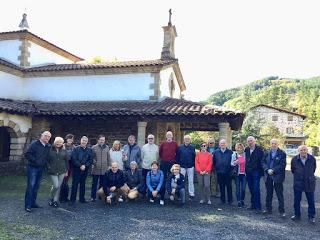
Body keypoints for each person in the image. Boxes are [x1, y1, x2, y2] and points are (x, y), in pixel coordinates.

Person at [24, 131, 52, 212]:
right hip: (32, 168)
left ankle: (33, 203)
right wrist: (35, 161)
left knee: (36, 186)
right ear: (41, 136)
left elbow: (47, 158)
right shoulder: (34, 144)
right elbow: (27, 154)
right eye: (46, 136)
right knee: (31, 186)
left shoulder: (48, 146)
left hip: (41, 169)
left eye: (49, 137)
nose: (47, 138)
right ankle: (28, 205)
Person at [291, 145, 317, 224]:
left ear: (307, 151)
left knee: (311, 200)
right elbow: (293, 170)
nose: (303, 151)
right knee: (296, 200)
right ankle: (297, 215)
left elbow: (313, 169)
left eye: (304, 150)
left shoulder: (312, 158)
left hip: (309, 182)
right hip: (298, 182)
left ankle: (311, 216)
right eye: (301, 150)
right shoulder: (294, 159)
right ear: (298, 151)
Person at [262, 139, 286, 217]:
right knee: (269, 194)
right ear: (270, 144)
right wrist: (267, 169)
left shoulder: (282, 153)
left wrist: (273, 170)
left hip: (278, 176)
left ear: (278, 144)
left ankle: (281, 211)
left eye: (275, 143)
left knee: (279, 194)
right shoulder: (266, 153)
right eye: (272, 143)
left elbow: (282, 165)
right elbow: (263, 162)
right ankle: (268, 209)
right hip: (268, 176)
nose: (273, 145)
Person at [69, 136, 93, 205]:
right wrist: (80, 165)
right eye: (83, 140)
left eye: (85, 141)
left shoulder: (89, 150)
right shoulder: (76, 149)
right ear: (80, 141)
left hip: (85, 170)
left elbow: (90, 160)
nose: (84, 142)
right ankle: (72, 200)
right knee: (74, 185)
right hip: (76, 169)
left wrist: (85, 166)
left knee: (83, 185)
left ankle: (82, 199)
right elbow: (73, 159)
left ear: (87, 142)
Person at [47, 137, 69, 208]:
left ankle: (55, 200)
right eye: (57, 142)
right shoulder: (49, 149)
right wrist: (49, 167)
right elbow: (47, 160)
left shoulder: (64, 150)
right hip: (53, 171)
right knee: (55, 186)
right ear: (54, 142)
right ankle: (51, 198)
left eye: (60, 142)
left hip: (62, 170)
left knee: (59, 186)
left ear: (62, 143)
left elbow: (66, 161)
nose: (58, 143)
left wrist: (66, 170)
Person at [245, 136, 264, 213]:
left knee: (256, 189)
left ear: (254, 141)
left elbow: (262, 161)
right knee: (251, 188)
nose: (250, 142)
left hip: (256, 172)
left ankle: (258, 206)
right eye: (248, 141)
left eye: (251, 141)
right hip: (248, 172)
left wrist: (261, 172)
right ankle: (252, 204)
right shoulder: (246, 149)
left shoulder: (259, 149)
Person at [91, 135, 111, 202]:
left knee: (102, 184)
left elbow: (108, 157)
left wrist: (109, 165)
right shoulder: (94, 147)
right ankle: (93, 197)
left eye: (103, 140)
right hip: (96, 169)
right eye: (101, 139)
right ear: (98, 140)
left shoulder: (107, 147)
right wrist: (95, 163)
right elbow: (91, 158)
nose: (102, 141)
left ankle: (100, 196)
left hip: (104, 169)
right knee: (94, 184)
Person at [213, 139, 233, 205]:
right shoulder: (216, 152)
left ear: (226, 144)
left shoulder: (230, 152)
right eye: (221, 143)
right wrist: (216, 169)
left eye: (224, 143)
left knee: (229, 186)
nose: (223, 144)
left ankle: (230, 200)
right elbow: (214, 162)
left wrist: (231, 171)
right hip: (219, 172)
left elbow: (232, 162)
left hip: (228, 172)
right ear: (219, 144)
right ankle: (222, 200)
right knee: (221, 186)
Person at [176, 135, 196, 199]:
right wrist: (178, 164)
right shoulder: (180, 147)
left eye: (188, 139)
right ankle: (179, 192)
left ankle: (191, 194)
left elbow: (194, 157)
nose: (187, 140)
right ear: (184, 140)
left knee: (190, 180)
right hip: (182, 166)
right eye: (186, 139)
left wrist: (193, 164)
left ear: (190, 140)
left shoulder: (192, 148)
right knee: (181, 180)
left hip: (190, 166)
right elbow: (177, 156)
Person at [59, 133, 75, 203]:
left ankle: (65, 197)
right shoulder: (62, 146)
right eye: (69, 138)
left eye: (71, 139)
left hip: (70, 165)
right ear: (66, 139)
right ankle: (61, 197)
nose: (70, 140)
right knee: (62, 182)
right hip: (63, 165)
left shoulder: (74, 147)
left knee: (66, 181)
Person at [231, 143, 246, 208]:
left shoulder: (245, 155)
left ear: (243, 148)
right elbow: (231, 164)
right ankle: (238, 201)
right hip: (237, 174)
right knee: (238, 188)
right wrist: (235, 162)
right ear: (236, 148)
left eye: (241, 148)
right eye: (238, 148)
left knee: (243, 188)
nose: (239, 149)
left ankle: (242, 199)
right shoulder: (234, 155)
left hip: (244, 174)